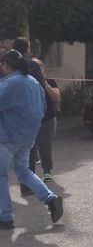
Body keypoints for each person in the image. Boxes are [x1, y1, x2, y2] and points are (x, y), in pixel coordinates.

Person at [0, 50, 63, 229]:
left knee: (1, 176)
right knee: (24, 172)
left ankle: (5, 216)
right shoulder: (33, 81)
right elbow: (43, 107)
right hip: (28, 136)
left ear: (6, 65)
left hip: (7, 135)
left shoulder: (11, 83)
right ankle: (50, 199)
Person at [27, 59, 60, 183]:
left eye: (41, 68)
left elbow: (56, 97)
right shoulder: (29, 82)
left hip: (47, 119)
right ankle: (30, 174)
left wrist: (45, 84)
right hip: (31, 120)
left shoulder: (50, 82)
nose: (39, 71)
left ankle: (47, 171)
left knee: (45, 146)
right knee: (30, 149)